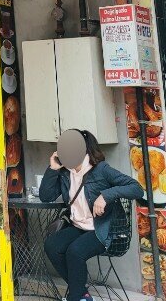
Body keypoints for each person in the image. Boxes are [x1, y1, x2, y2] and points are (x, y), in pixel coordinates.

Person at [40, 129, 144, 301]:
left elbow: (136, 188)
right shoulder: (66, 173)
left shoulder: (101, 170)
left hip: (101, 230)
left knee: (74, 251)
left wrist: (105, 196)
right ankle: (82, 294)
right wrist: (53, 168)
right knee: (52, 245)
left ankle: (76, 296)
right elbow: (46, 196)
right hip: (78, 227)